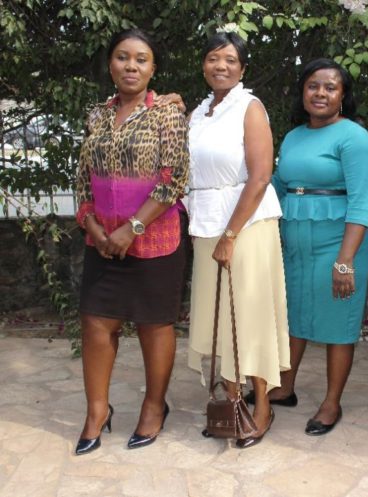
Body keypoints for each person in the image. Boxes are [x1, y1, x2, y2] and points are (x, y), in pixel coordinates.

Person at [74, 29, 189, 454]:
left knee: (153, 325)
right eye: (123, 58)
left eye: (141, 59)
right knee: (96, 322)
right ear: (111, 65)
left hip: (155, 240)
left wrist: (131, 229)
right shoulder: (96, 117)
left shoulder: (167, 115)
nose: (131, 66)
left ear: (153, 68)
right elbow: (82, 179)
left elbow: (173, 179)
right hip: (102, 241)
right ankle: (97, 412)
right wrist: (93, 226)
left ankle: (154, 407)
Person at [252, 58, 368, 436]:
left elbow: (359, 202)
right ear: (303, 92)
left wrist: (345, 261)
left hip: (338, 244)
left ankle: (331, 402)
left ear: (343, 96)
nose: (320, 93)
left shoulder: (354, 137)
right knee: (294, 318)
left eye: (330, 87)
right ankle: (285, 387)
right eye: (313, 86)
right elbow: (278, 186)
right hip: (295, 241)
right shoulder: (292, 136)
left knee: (338, 324)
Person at [186, 32, 290, 449]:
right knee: (219, 318)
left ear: (243, 68)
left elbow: (261, 175)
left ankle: (261, 405)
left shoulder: (250, 107)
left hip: (245, 225)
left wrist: (231, 234)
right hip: (206, 226)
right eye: (213, 58)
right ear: (204, 65)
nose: (221, 66)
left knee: (249, 315)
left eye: (230, 60)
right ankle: (232, 402)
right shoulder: (200, 112)